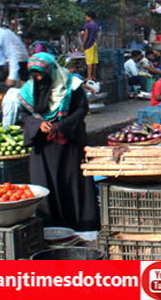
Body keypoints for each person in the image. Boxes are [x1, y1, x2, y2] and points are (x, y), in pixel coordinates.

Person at [18, 52, 98, 231]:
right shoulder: (30, 89)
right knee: (46, 186)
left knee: (71, 183)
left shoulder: (71, 85)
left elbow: (81, 108)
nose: (39, 78)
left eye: (41, 75)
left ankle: (80, 227)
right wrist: (39, 124)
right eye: (35, 75)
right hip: (43, 147)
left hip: (68, 144)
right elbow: (24, 113)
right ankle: (51, 228)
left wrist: (61, 125)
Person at [81, 11, 100, 81]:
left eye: (86, 16)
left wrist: (82, 45)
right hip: (94, 44)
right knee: (94, 62)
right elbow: (97, 36)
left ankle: (89, 77)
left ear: (89, 17)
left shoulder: (87, 25)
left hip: (89, 45)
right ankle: (94, 76)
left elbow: (86, 35)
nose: (85, 18)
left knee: (89, 62)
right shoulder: (95, 25)